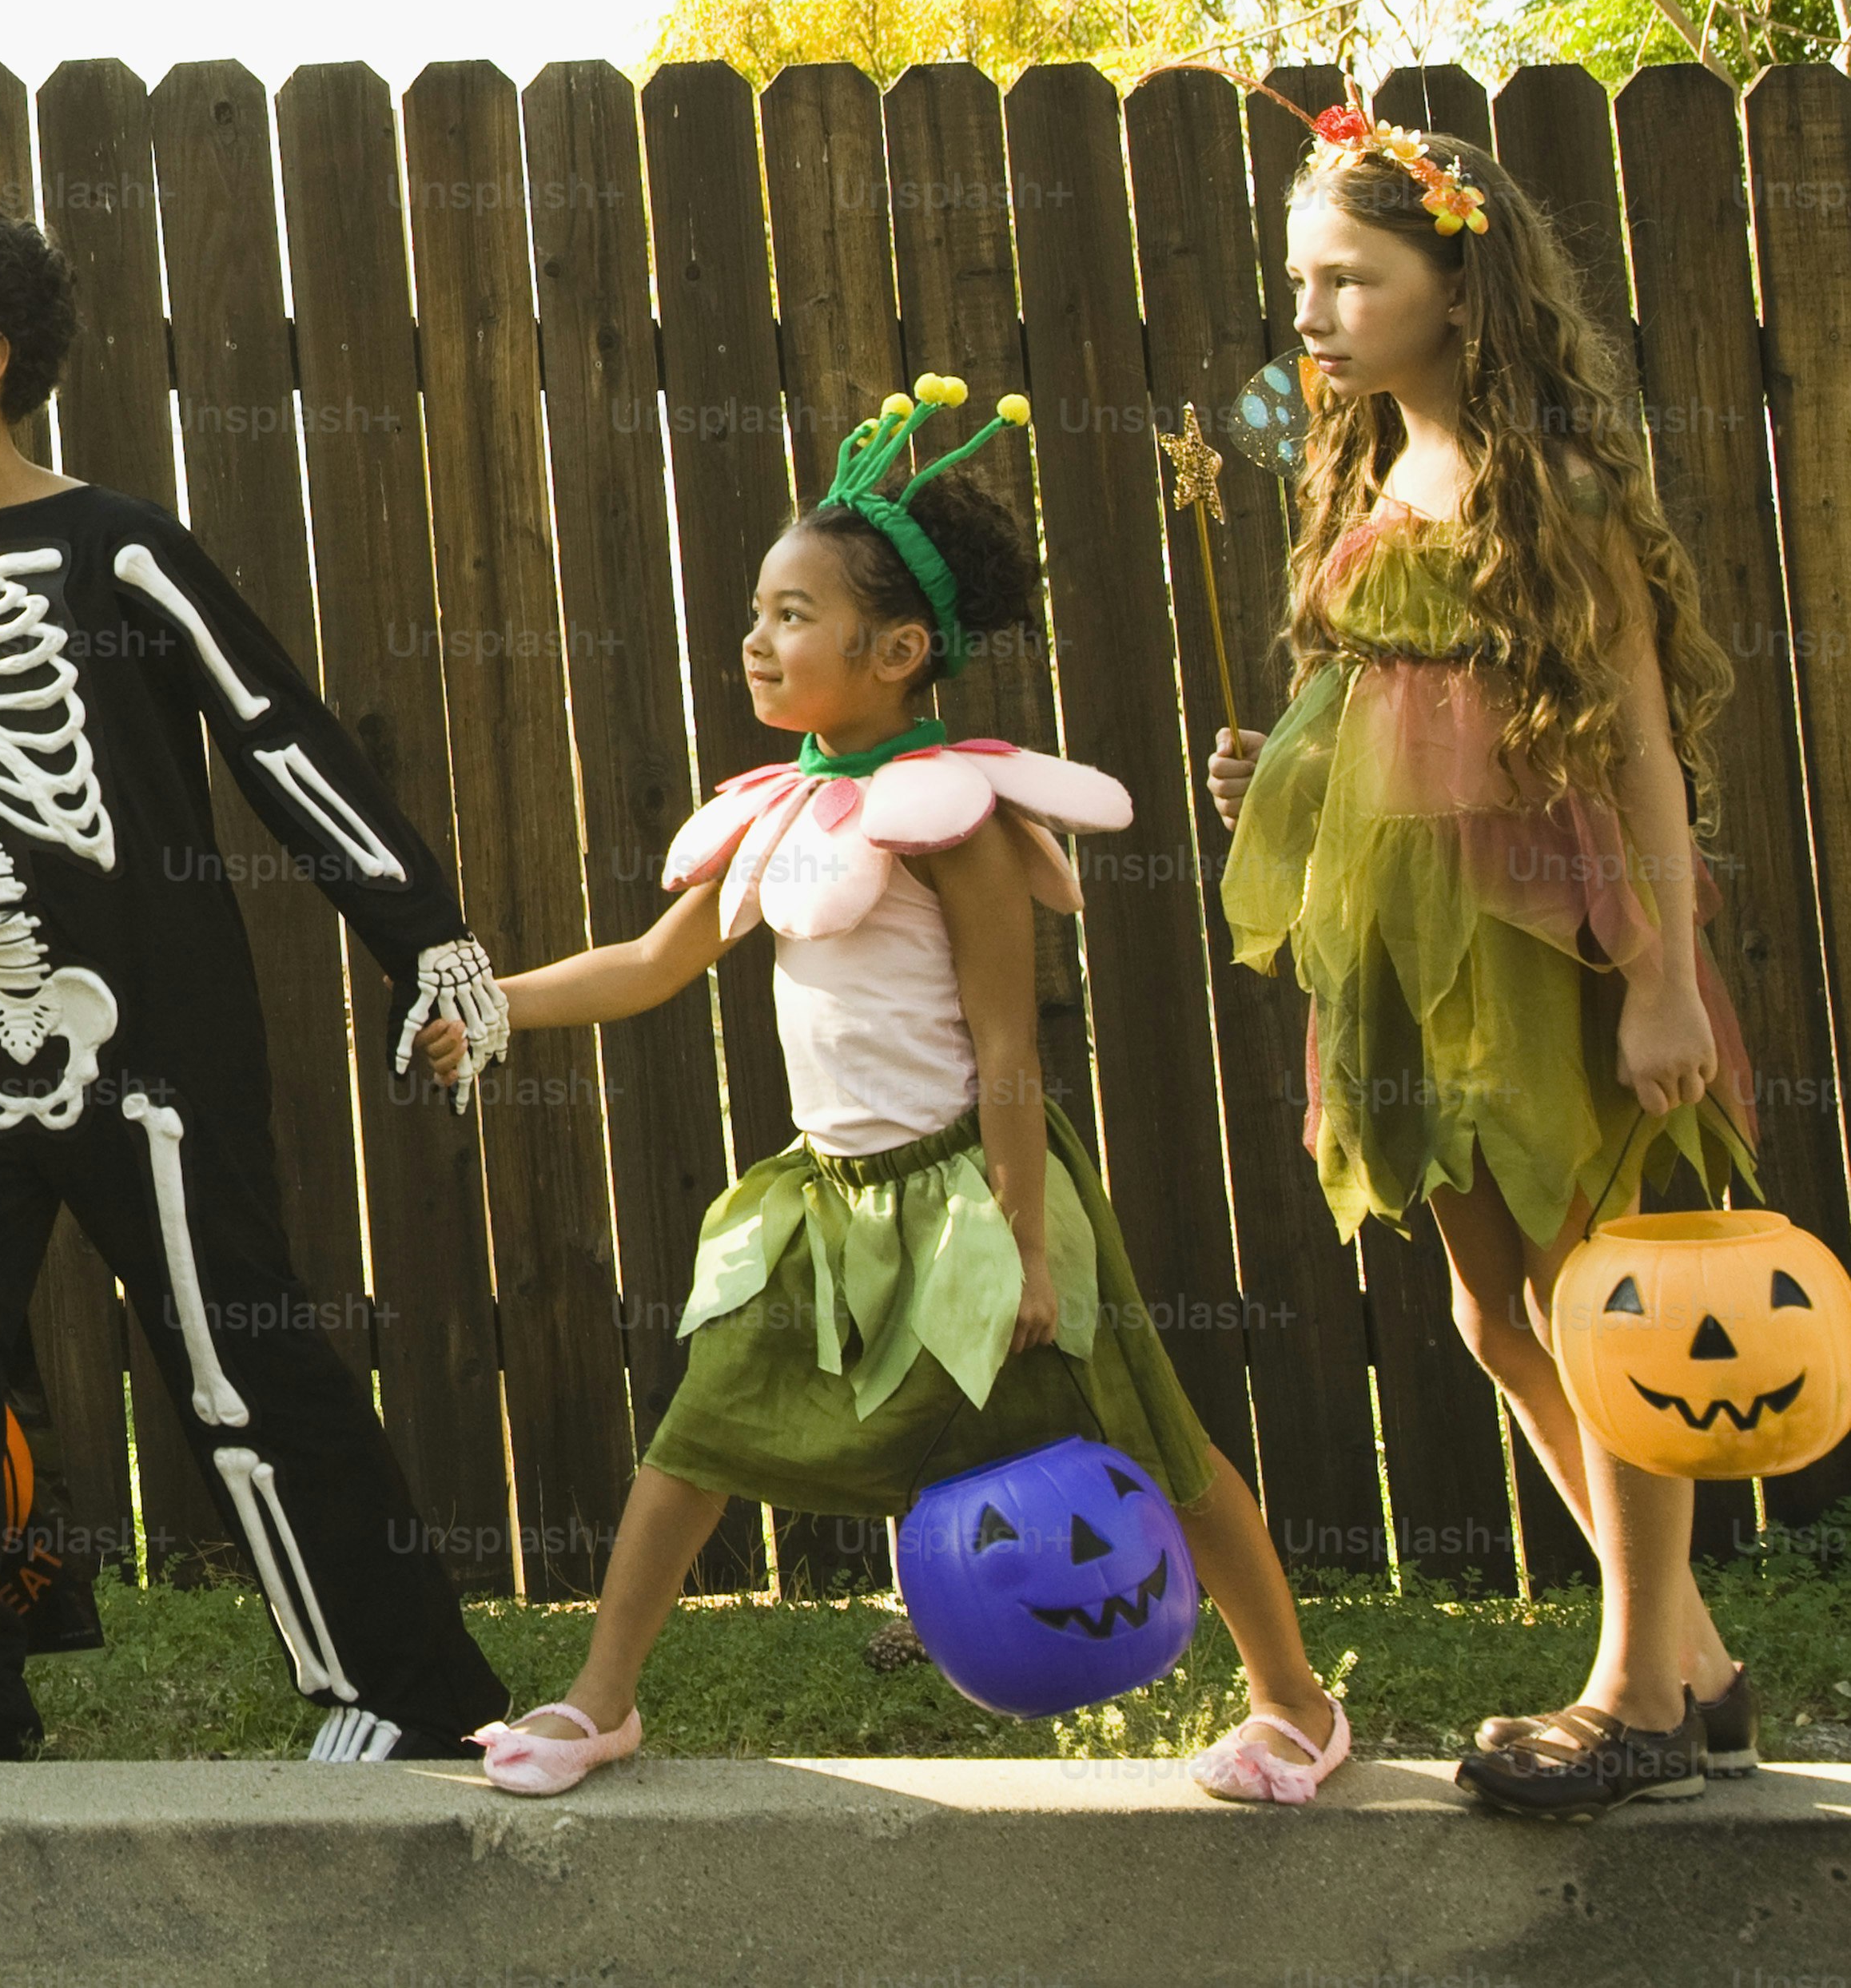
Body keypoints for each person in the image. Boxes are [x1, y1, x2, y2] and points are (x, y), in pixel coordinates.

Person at [437, 380, 1347, 1806]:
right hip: (826, 1202)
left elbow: (1008, 1047)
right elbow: (650, 962)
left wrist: (1026, 1239)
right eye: (756, 610)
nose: (756, 636)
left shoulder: (955, 824)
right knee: (697, 1433)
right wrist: (495, 1005)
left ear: (899, 650)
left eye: (793, 613)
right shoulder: (782, 810)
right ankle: (597, 1701)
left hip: (976, 1196)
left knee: (1147, 1437)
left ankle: (1294, 1701)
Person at [0, 197, 515, 1766]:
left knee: (238, 1353)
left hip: (147, 1041)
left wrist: (427, 940)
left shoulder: (112, 544)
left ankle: (409, 1690)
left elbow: (278, 734)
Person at [1204, 114, 1759, 1818]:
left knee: (1604, 1304)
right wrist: (1280, 768)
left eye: (1350, 279)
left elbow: (1638, 748)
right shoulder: (1369, 467)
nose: (1312, 313)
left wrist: (1659, 978)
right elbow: (1397, 711)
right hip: (1406, 949)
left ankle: (1634, 1691)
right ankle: (1698, 1664)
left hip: (1547, 943)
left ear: (1458, 285)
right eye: (1302, 280)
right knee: (1490, 1309)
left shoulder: (1551, 489)